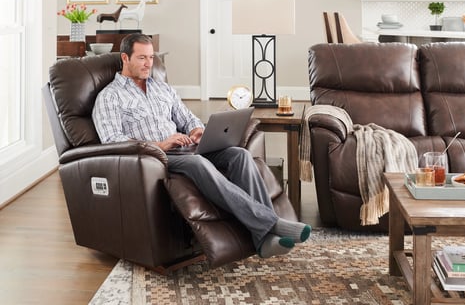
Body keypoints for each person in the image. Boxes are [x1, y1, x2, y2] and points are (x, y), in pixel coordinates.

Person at [92, 33, 311, 258]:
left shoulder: (161, 88)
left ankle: (264, 238)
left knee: (239, 155)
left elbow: (187, 118)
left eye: (151, 57)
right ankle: (271, 224)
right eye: (142, 58)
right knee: (196, 161)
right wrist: (160, 144)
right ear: (125, 58)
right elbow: (111, 140)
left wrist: (197, 130)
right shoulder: (110, 97)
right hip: (156, 156)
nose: (149, 64)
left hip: (186, 147)